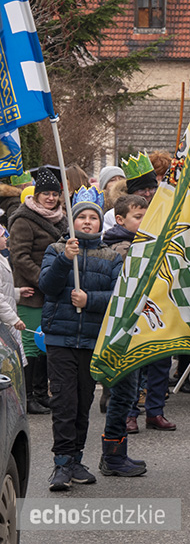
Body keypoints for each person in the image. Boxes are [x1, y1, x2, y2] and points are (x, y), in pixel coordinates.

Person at [39, 186, 123, 491]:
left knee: (83, 401)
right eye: (81, 217)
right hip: (60, 338)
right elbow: (47, 286)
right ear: (72, 221)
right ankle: (61, 463)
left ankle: (76, 458)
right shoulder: (55, 250)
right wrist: (65, 260)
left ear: (101, 223)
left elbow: (118, 296)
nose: (87, 222)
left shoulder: (112, 256)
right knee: (63, 400)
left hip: (91, 339)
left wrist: (90, 300)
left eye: (93, 218)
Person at [8, 167, 68, 415]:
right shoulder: (23, 219)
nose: (51, 198)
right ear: (37, 195)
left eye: (55, 194)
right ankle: (28, 396)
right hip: (33, 290)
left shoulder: (62, 218)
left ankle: (42, 394)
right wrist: (44, 279)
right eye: (47, 194)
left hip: (55, 290)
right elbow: (19, 256)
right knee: (32, 344)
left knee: (46, 344)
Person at [100, 194, 150, 476]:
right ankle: (112, 456)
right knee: (122, 394)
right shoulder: (122, 249)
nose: (143, 222)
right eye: (137, 217)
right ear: (120, 220)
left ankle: (118, 453)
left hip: (133, 329)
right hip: (120, 331)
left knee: (128, 393)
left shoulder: (137, 245)